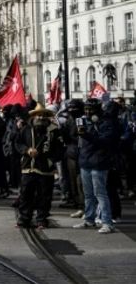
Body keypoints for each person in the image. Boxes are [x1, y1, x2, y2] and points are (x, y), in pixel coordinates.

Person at [15, 104, 63, 229]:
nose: (41, 117)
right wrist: (27, 150)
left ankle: (41, 219)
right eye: (38, 115)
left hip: (45, 169)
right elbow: (18, 143)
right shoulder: (25, 129)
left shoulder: (53, 130)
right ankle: (24, 219)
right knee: (26, 194)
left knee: (44, 196)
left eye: (43, 115)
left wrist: (50, 160)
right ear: (34, 116)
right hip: (28, 167)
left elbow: (60, 149)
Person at [73, 99, 118, 233]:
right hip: (85, 161)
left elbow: (105, 141)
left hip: (99, 163)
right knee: (88, 194)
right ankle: (89, 219)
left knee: (100, 193)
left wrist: (87, 134)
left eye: (90, 109)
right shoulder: (84, 121)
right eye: (86, 109)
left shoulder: (106, 122)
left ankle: (107, 222)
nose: (87, 112)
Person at [60, 100, 85, 215]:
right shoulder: (70, 120)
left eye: (73, 108)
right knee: (73, 181)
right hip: (71, 153)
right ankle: (78, 204)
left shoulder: (82, 120)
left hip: (80, 153)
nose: (71, 111)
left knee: (80, 182)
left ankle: (83, 206)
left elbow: (81, 139)